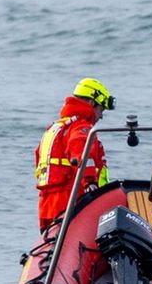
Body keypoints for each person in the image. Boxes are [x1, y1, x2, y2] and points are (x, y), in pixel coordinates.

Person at [34, 78, 114, 230]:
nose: (101, 116)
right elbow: (83, 154)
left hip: (47, 205)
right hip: (70, 199)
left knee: (53, 247)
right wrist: (90, 182)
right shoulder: (80, 127)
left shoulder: (54, 129)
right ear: (91, 103)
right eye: (101, 110)